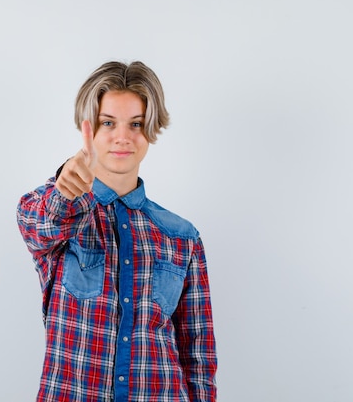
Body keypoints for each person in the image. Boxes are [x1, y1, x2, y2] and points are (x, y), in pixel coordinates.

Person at [16, 60, 217, 402]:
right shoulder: (56, 210)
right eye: (108, 122)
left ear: (151, 130)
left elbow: (197, 355)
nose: (122, 137)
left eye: (136, 124)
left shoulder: (182, 237)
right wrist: (66, 189)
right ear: (88, 128)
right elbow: (41, 226)